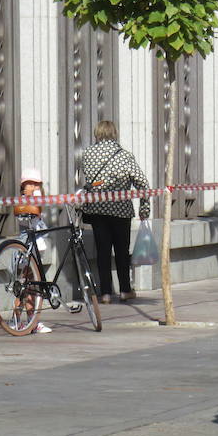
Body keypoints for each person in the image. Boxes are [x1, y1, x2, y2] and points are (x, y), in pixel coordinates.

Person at [79, 120, 150, 304]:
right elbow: (142, 182)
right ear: (114, 134)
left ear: (97, 133)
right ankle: (125, 290)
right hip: (120, 209)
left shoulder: (87, 154)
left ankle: (105, 293)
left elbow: (89, 180)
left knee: (102, 251)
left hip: (97, 209)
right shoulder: (124, 156)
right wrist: (144, 207)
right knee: (121, 250)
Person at [14, 168, 52, 333]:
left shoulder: (39, 199)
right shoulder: (21, 201)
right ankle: (16, 319)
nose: (33, 186)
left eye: (36, 184)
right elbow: (23, 215)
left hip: (38, 245)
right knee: (23, 284)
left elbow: (40, 210)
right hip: (26, 245)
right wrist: (31, 199)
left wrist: (37, 199)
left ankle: (34, 321)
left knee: (35, 285)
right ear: (23, 185)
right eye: (30, 183)